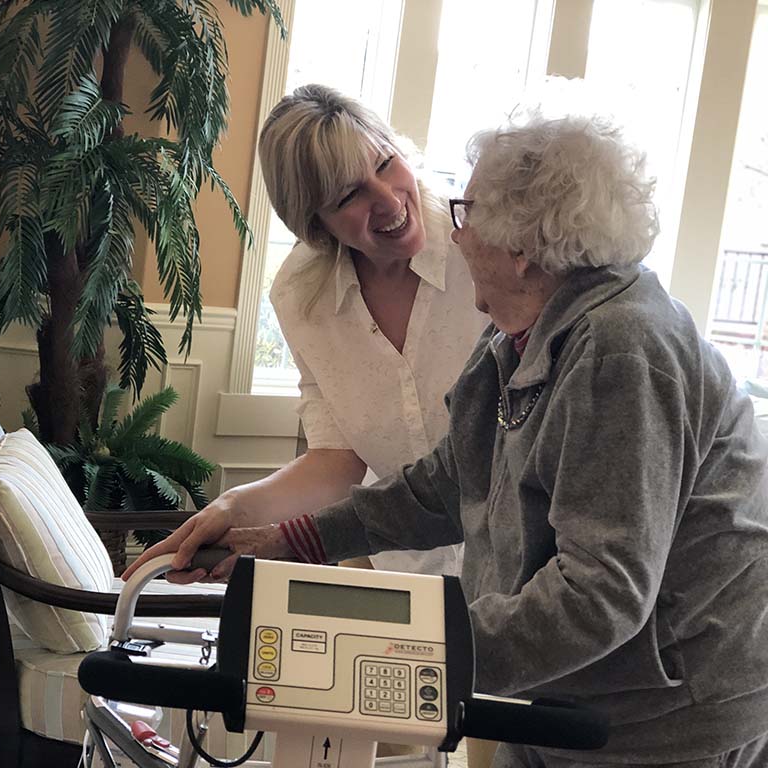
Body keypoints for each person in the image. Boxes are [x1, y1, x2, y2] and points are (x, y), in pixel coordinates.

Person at [135, 113, 768, 767]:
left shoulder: (620, 350)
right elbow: (449, 482)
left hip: (666, 721)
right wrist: (290, 541)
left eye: (467, 214)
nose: (455, 234)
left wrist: (409, 649)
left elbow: (599, 593)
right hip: (577, 702)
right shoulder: (521, 332)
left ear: (521, 249)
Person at [126, 84, 484, 582]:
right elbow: (337, 461)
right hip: (405, 573)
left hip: (524, 572)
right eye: (349, 195)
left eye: (385, 163)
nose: (387, 200)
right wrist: (232, 509)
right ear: (315, 224)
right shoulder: (300, 294)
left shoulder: (483, 241)